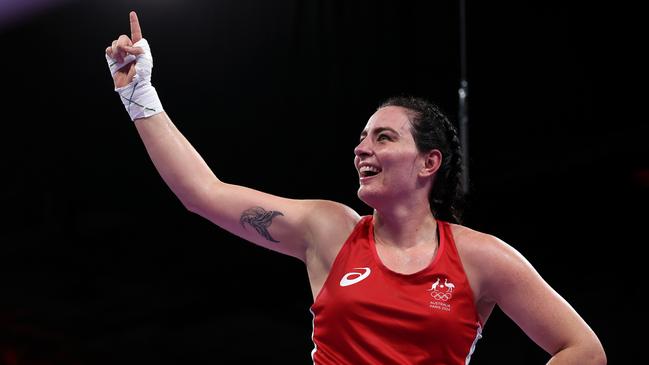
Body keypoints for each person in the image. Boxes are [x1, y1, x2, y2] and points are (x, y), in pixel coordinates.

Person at [105, 11, 606, 365]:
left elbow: (583, 349)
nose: (362, 149)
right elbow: (203, 193)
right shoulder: (329, 231)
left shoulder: (483, 258)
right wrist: (137, 94)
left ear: (429, 162)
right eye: (361, 138)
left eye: (383, 137)